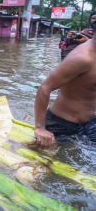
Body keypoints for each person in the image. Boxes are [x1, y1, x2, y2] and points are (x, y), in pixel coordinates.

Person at [34, 12, 96, 147]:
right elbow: (45, 87)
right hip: (62, 124)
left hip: (90, 121)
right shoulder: (83, 58)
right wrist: (40, 128)